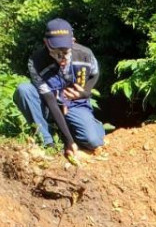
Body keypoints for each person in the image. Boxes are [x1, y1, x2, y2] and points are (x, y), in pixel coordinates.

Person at [13, 18, 105, 157]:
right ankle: (47, 141)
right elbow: (50, 101)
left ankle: (90, 126)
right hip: (49, 103)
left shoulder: (85, 54)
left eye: (65, 50)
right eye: (56, 50)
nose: (61, 55)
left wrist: (85, 93)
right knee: (24, 90)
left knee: (93, 141)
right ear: (46, 42)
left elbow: (95, 73)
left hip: (75, 103)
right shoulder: (35, 61)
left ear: (73, 41)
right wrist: (68, 140)